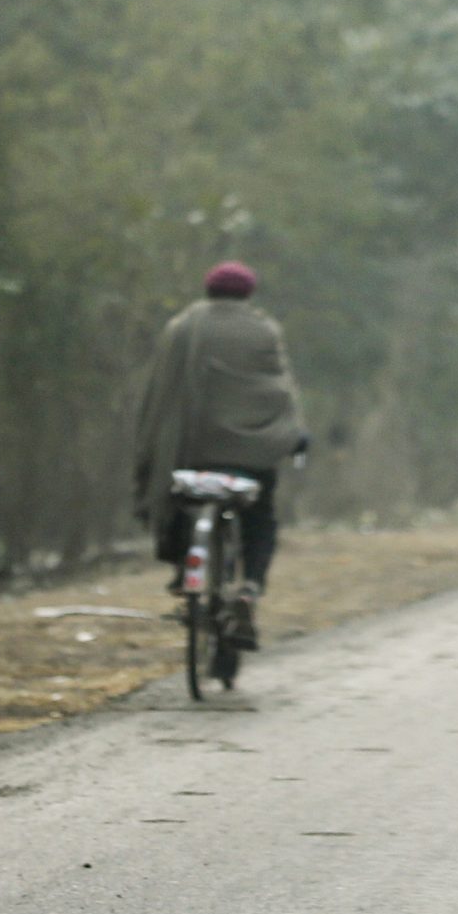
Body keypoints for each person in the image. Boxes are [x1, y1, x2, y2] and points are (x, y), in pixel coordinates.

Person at [132, 261, 308, 640]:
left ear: (209, 290)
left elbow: (161, 393)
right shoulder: (264, 329)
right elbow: (278, 389)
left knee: (180, 501)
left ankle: (185, 571)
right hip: (253, 455)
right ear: (249, 293)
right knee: (259, 519)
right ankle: (249, 589)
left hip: (193, 453)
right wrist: (293, 434)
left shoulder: (182, 328)